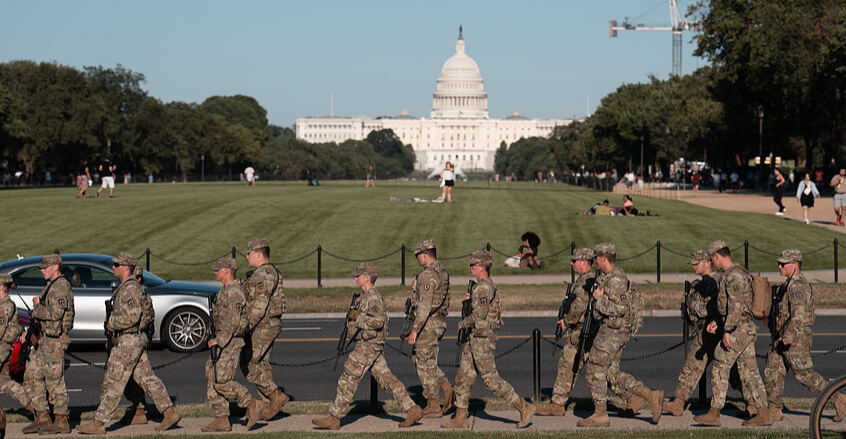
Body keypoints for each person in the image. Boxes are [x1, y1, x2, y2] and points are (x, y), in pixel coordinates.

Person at [77, 253, 180, 434]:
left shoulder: (130, 289)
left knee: (113, 381)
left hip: (129, 341)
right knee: (146, 378)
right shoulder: (127, 287)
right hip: (131, 340)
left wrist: (112, 323)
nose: (113, 267)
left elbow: (133, 316)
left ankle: (99, 422)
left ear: (126, 267)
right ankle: (169, 412)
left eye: (116, 264)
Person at [312, 263, 424, 430]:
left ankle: (334, 417)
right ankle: (412, 408)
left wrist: (358, 320)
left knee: (349, 377)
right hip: (369, 345)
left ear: (367, 277)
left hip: (369, 345)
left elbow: (378, 322)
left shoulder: (373, 298)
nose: (356, 278)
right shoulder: (362, 297)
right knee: (387, 379)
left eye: (359, 275)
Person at [442, 250, 535, 429]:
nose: (471, 267)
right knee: (464, 375)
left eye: (474, 264)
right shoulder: (481, 287)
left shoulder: (483, 288)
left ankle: (523, 407)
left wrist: (463, 322)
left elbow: (480, 316)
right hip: (475, 337)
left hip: (482, 339)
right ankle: (461, 416)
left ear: (483, 267)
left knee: (491, 379)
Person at [578, 242, 662, 428]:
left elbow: (620, 309)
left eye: (597, 258)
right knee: (610, 374)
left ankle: (600, 414)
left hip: (613, 332)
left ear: (604, 258)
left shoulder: (615, 281)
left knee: (594, 370)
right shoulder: (608, 277)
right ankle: (648, 395)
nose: (595, 261)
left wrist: (599, 301)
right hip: (613, 331)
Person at [694, 240, 771, 427]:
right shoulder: (735, 273)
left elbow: (736, 308)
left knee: (720, 364)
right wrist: (717, 323)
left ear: (717, 256)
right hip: (743, 328)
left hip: (739, 329)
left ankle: (714, 413)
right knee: (749, 372)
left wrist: (726, 331)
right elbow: (728, 307)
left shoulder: (733, 277)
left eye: (714, 259)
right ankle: (763, 413)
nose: (714, 263)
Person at [765, 250, 845, 421]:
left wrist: (790, 336)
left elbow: (799, 315)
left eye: (783, 263)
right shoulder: (788, 284)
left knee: (804, 375)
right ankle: (774, 409)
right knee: (773, 367)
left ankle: (838, 399)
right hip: (783, 336)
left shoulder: (798, 287)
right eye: (779, 263)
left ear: (795, 264)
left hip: (797, 338)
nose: (779, 266)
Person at [202, 257, 263, 432]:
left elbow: (235, 322)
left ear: (227, 270)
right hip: (222, 340)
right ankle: (221, 419)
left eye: (218, 269)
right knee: (211, 376)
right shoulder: (225, 291)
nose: (215, 272)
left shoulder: (234, 292)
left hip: (230, 342)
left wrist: (219, 340)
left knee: (221, 380)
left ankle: (251, 403)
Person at [536, 248, 596, 416]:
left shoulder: (587, 281)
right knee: (600, 370)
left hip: (582, 330)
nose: (571, 263)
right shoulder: (584, 279)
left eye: (574, 260)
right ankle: (635, 397)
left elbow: (579, 305)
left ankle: (557, 404)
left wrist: (566, 322)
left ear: (584, 261)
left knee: (567, 363)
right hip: (585, 330)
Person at [21, 254, 75, 434]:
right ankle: (42, 417)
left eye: (45, 267)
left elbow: (55, 314)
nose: (42, 270)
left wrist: (37, 306)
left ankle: (61, 421)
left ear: (56, 267)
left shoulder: (60, 287)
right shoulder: (51, 286)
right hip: (44, 339)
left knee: (54, 381)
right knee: (32, 375)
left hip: (54, 341)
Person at [663, 250, 721, 416]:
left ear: (707, 263)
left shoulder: (712, 283)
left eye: (697, 263)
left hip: (712, 331)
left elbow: (710, 308)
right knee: (693, 365)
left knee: (732, 373)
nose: (694, 266)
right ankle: (678, 402)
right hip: (707, 331)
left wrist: (693, 306)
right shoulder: (703, 282)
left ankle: (756, 406)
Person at [241, 238, 289, 421]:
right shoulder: (264, 272)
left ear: (259, 254)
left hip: (264, 325)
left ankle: (275, 395)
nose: (247, 256)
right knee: (262, 365)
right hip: (267, 324)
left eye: (249, 253)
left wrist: (245, 326)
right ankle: (267, 406)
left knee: (248, 363)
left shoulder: (265, 274)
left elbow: (260, 304)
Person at [407, 240, 454, 418]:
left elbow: (425, 306)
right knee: (422, 360)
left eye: (418, 255)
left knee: (424, 364)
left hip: (428, 324)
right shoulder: (441, 271)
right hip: (438, 322)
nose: (417, 258)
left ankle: (433, 403)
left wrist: (415, 330)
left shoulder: (427, 275)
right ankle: (447, 389)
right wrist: (416, 288)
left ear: (424, 255)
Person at [0, 274, 29, 412]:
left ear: (1, 287)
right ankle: (34, 405)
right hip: (4, 347)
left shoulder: (5, 306)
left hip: (2, 348)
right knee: (4, 382)